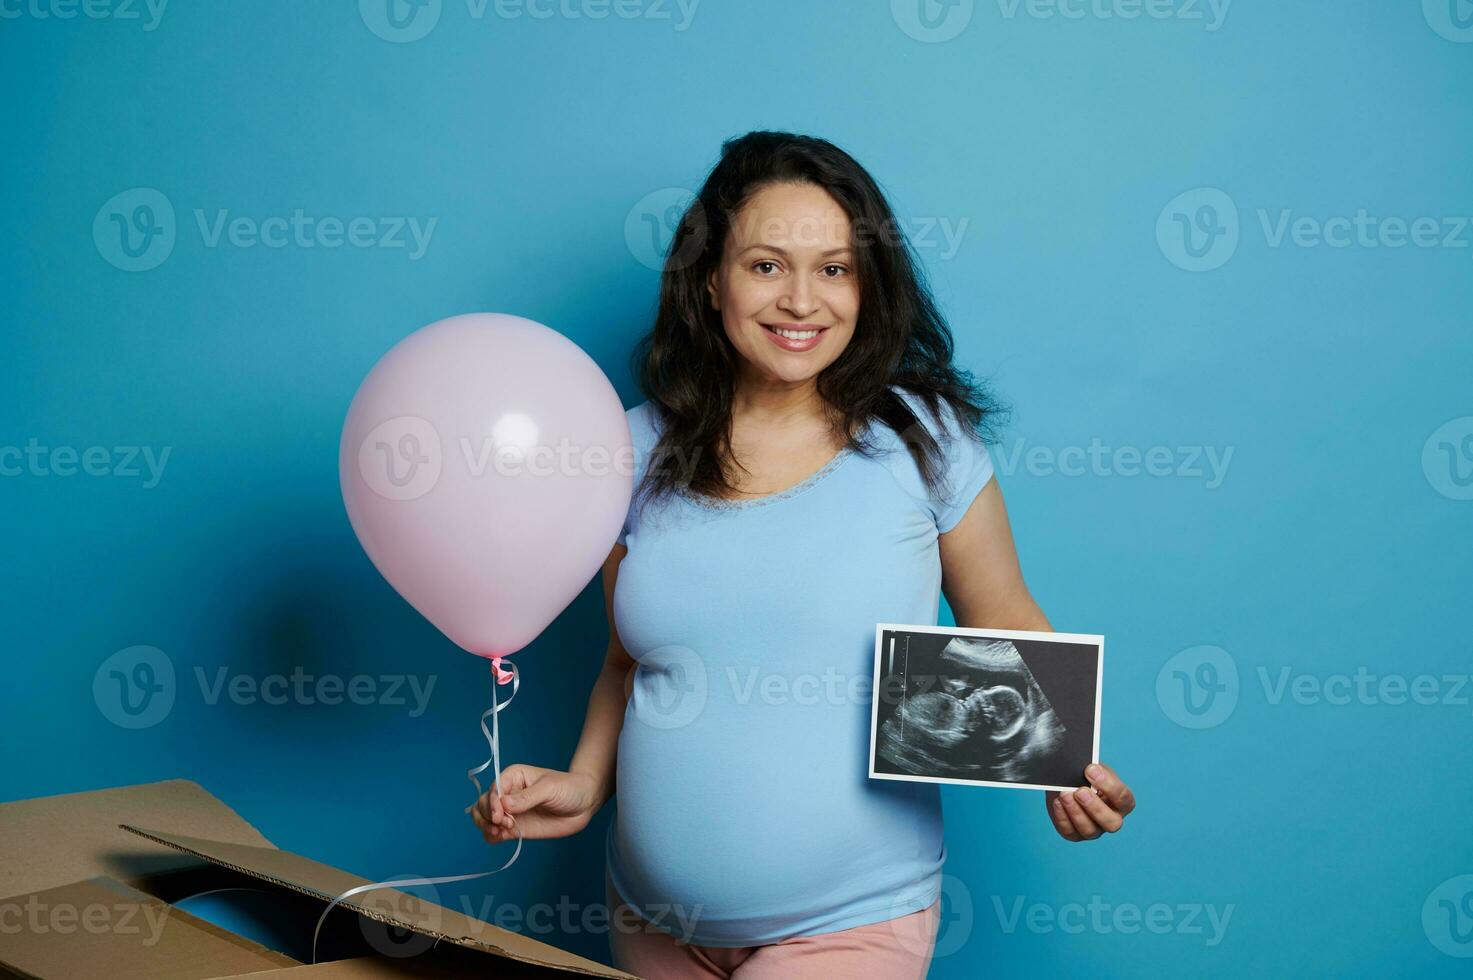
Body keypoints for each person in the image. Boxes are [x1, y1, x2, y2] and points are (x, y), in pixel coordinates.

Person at [470, 130, 1137, 979]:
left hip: (852, 922)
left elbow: (1001, 616)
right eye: (765, 265)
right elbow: (627, 660)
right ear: (710, 279)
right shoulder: (628, 451)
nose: (800, 300)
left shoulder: (922, 442)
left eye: (834, 268)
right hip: (648, 918)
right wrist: (584, 781)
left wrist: (1059, 769)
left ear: (868, 285)